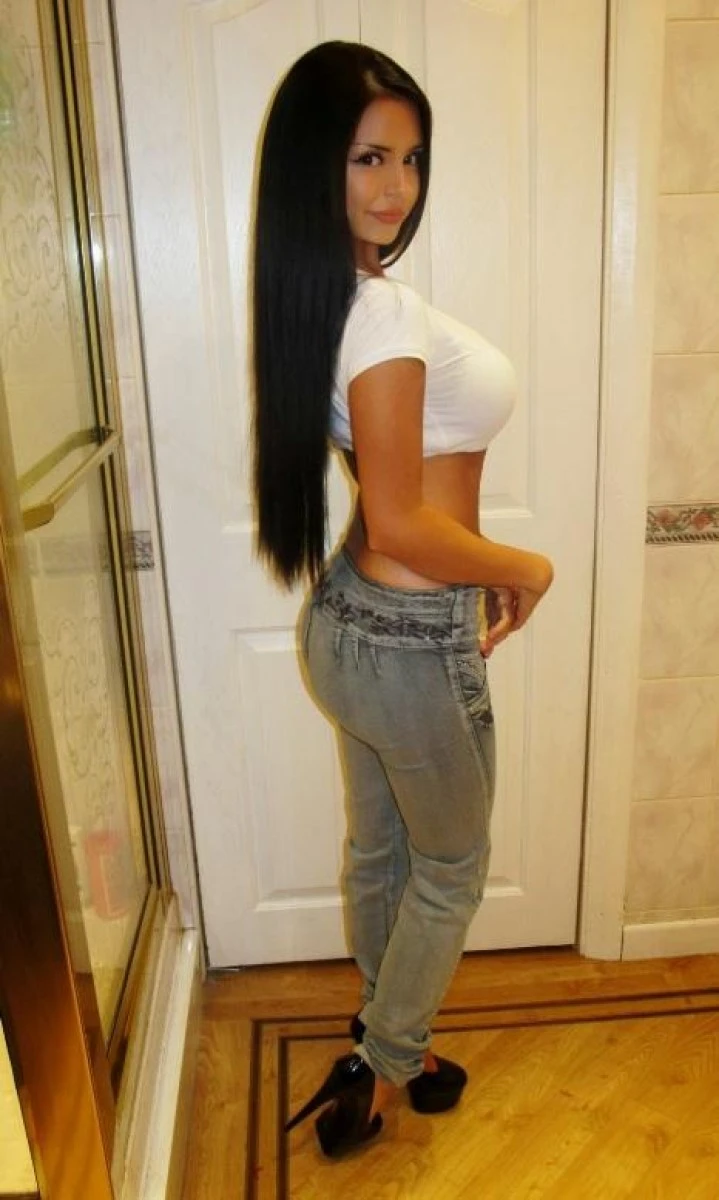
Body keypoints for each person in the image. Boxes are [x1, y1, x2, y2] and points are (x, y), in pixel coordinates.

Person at [250, 41, 554, 1159]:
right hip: (410, 638)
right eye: (368, 157)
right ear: (314, 166)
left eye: (411, 159)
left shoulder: (324, 299)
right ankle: (382, 1067)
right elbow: (400, 523)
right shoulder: (378, 313)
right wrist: (524, 567)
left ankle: (394, 1040)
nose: (397, 188)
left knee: (383, 856)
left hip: (347, 629)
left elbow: (381, 517)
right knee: (452, 867)